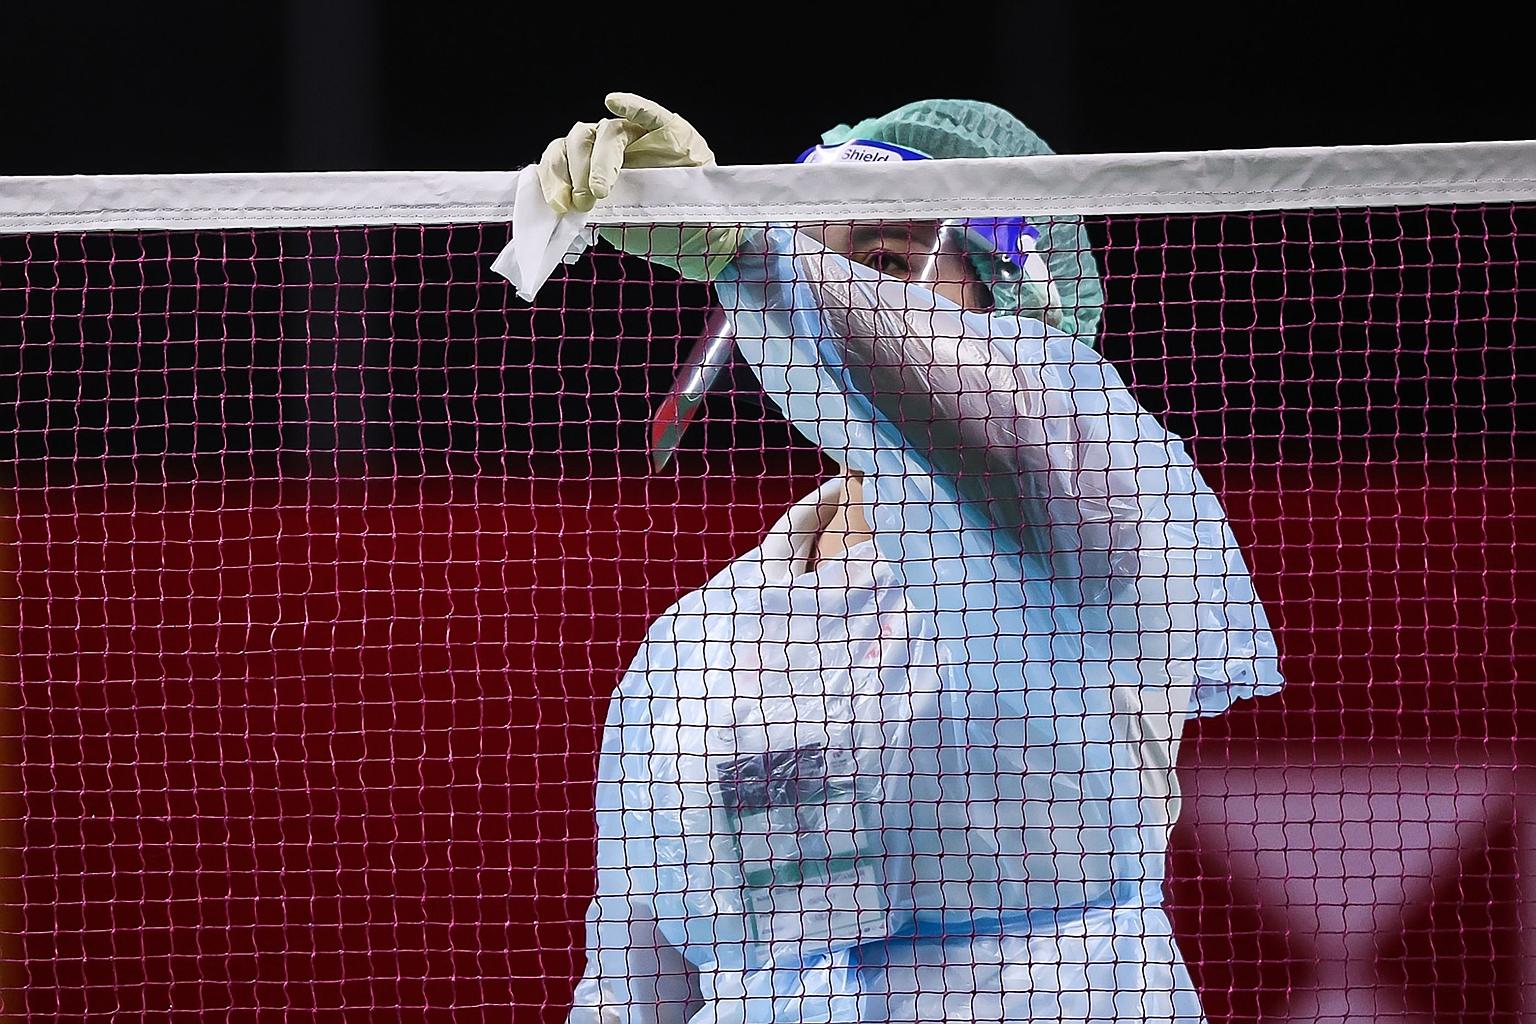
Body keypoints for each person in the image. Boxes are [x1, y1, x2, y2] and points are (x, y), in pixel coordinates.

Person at [536, 93, 1283, 1024]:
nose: (832, 293)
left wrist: (761, 251)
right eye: (813, 251)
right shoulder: (695, 645)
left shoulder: (1083, 508)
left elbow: (989, 410)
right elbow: (631, 988)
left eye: (885, 262)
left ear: (1016, 296)